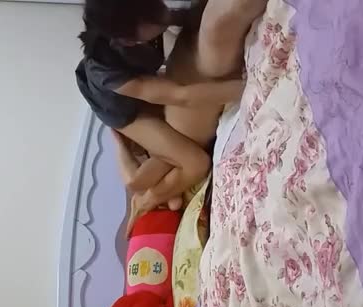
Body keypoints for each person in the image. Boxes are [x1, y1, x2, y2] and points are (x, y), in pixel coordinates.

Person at [75, 0, 245, 211]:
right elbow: (181, 95)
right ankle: (146, 198)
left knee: (173, 152)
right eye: (156, 17)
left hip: (135, 80)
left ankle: (164, 188)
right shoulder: (109, 74)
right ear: (129, 41)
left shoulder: (146, 16)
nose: (164, 13)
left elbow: (183, 17)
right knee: (197, 163)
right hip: (121, 112)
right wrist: (249, 86)